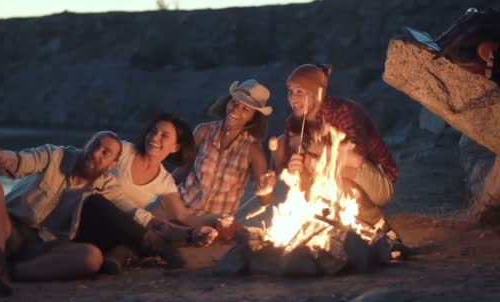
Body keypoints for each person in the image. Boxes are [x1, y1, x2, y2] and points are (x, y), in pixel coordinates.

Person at [0, 131, 216, 296]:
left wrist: (189, 233)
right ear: (86, 145)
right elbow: (21, 161)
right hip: (8, 226)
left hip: (42, 245)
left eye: (105, 153)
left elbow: (139, 216)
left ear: (113, 164)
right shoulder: (56, 156)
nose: (95, 154)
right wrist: (5, 158)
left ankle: (4, 272)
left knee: (91, 257)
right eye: (94, 146)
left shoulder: (107, 186)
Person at [272, 64, 399, 232]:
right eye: (291, 92)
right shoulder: (294, 122)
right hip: (334, 180)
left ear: (317, 93)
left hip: (379, 182)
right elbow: (293, 172)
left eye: (300, 92)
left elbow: (356, 159)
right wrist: (294, 166)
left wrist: (308, 146)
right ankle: (321, 227)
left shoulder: (343, 110)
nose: (293, 99)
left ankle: (383, 229)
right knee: (289, 149)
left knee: (331, 171)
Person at [171, 79, 276, 240]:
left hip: (216, 223)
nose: (236, 109)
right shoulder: (203, 131)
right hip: (181, 209)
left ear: (253, 117)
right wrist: (159, 190)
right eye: (234, 102)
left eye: (245, 109)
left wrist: (267, 188)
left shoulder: (253, 151)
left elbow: (264, 200)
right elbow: (182, 170)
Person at [112, 113, 218, 227]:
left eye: (164, 136)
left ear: (175, 147)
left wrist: (217, 219)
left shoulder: (165, 182)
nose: (154, 137)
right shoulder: (122, 150)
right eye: (153, 131)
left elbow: (184, 217)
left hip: (116, 227)